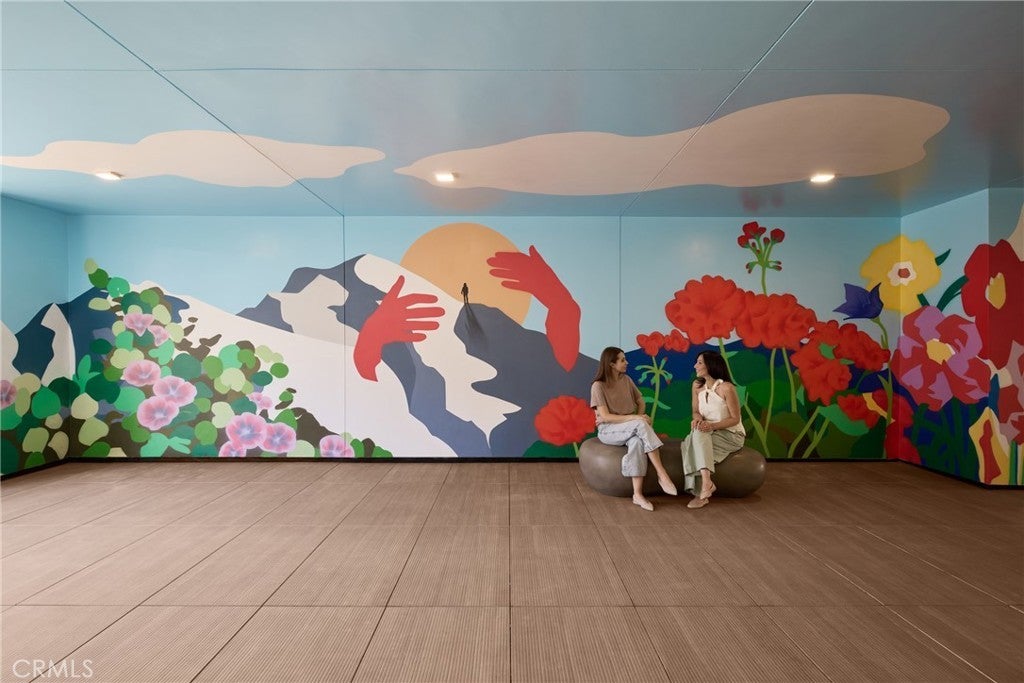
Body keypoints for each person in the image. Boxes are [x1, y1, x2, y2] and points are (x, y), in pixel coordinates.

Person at [590, 346, 677, 511]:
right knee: (640, 424)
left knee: (637, 442)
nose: (626, 362)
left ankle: (637, 495)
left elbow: (641, 401)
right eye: (622, 360)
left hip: (630, 427)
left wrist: (640, 416)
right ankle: (662, 473)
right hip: (609, 430)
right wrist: (637, 418)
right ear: (611, 364)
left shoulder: (627, 380)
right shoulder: (598, 386)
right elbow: (606, 416)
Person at [682, 350, 746, 509]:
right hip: (708, 432)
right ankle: (707, 483)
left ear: (711, 365)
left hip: (731, 434)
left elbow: (735, 419)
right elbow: (695, 411)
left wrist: (711, 426)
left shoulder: (727, 388)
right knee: (696, 434)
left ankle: (700, 493)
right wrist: (697, 420)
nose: (695, 366)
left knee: (690, 445)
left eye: (699, 362)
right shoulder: (697, 386)